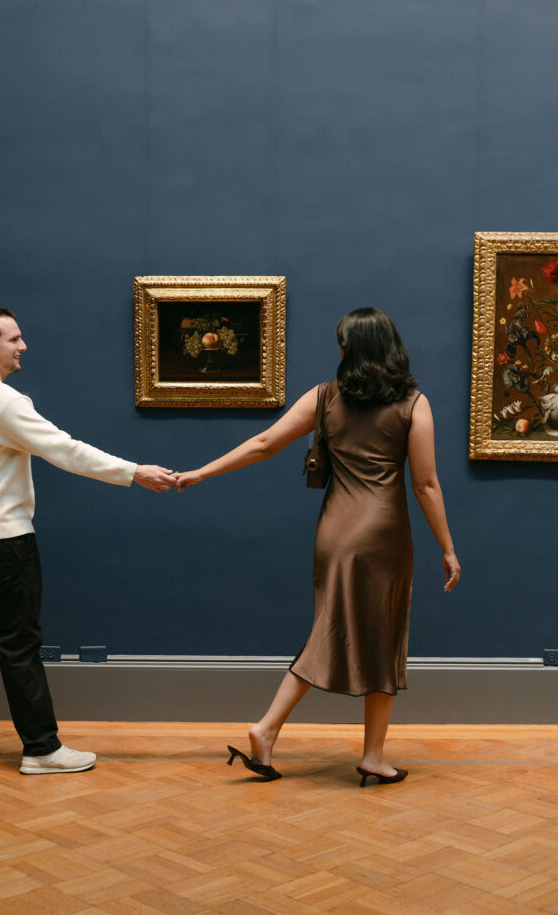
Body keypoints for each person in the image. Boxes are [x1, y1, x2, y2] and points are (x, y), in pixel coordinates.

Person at [176, 307, 460, 785]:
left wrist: (202, 471)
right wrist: (447, 548)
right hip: (382, 534)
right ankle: (324, 743)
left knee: (334, 628)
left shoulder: (324, 396)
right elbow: (426, 485)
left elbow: (265, 443)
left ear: (350, 350)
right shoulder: (415, 404)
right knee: (382, 636)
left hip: (333, 531)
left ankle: (305, 739)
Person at [0, 304, 176, 774]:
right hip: (5, 542)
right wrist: (133, 471)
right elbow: (64, 450)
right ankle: (41, 749)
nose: (23, 346)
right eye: (13, 339)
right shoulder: (3, 402)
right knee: (20, 645)